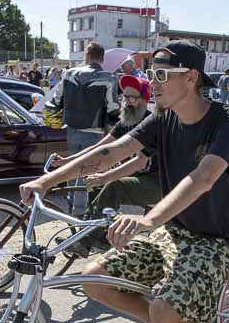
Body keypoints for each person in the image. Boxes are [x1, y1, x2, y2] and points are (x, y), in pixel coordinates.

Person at [20, 40, 229, 323]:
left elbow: (203, 178)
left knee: (164, 309)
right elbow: (112, 152)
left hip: (219, 240)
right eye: (150, 73)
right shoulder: (162, 119)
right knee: (93, 279)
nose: (151, 82)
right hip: (173, 232)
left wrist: (148, 219)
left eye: (160, 74)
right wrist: (48, 181)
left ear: (190, 77)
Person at [52, 74, 160, 255]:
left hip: (158, 182)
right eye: (124, 97)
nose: (127, 101)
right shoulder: (125, 121)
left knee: (113, 185)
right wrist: (66, 161)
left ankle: (86, 241)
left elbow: (139, 163)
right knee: (93, 182)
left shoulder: (150, 123)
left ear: (144, 100)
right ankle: (94, 236)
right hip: (138, 175)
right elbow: (100, 147)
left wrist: (106, 176)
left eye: (133, 97)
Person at [48, 41, 119, 215]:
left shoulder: (69, 74)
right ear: (102, 58)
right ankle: (82, 214)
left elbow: (56, 100)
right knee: (88, 172)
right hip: (95, 133)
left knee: (72, 167)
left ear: (86, 56)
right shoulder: (108, 78)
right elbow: (113, 109)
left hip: (72, 129)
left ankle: (73, 209)